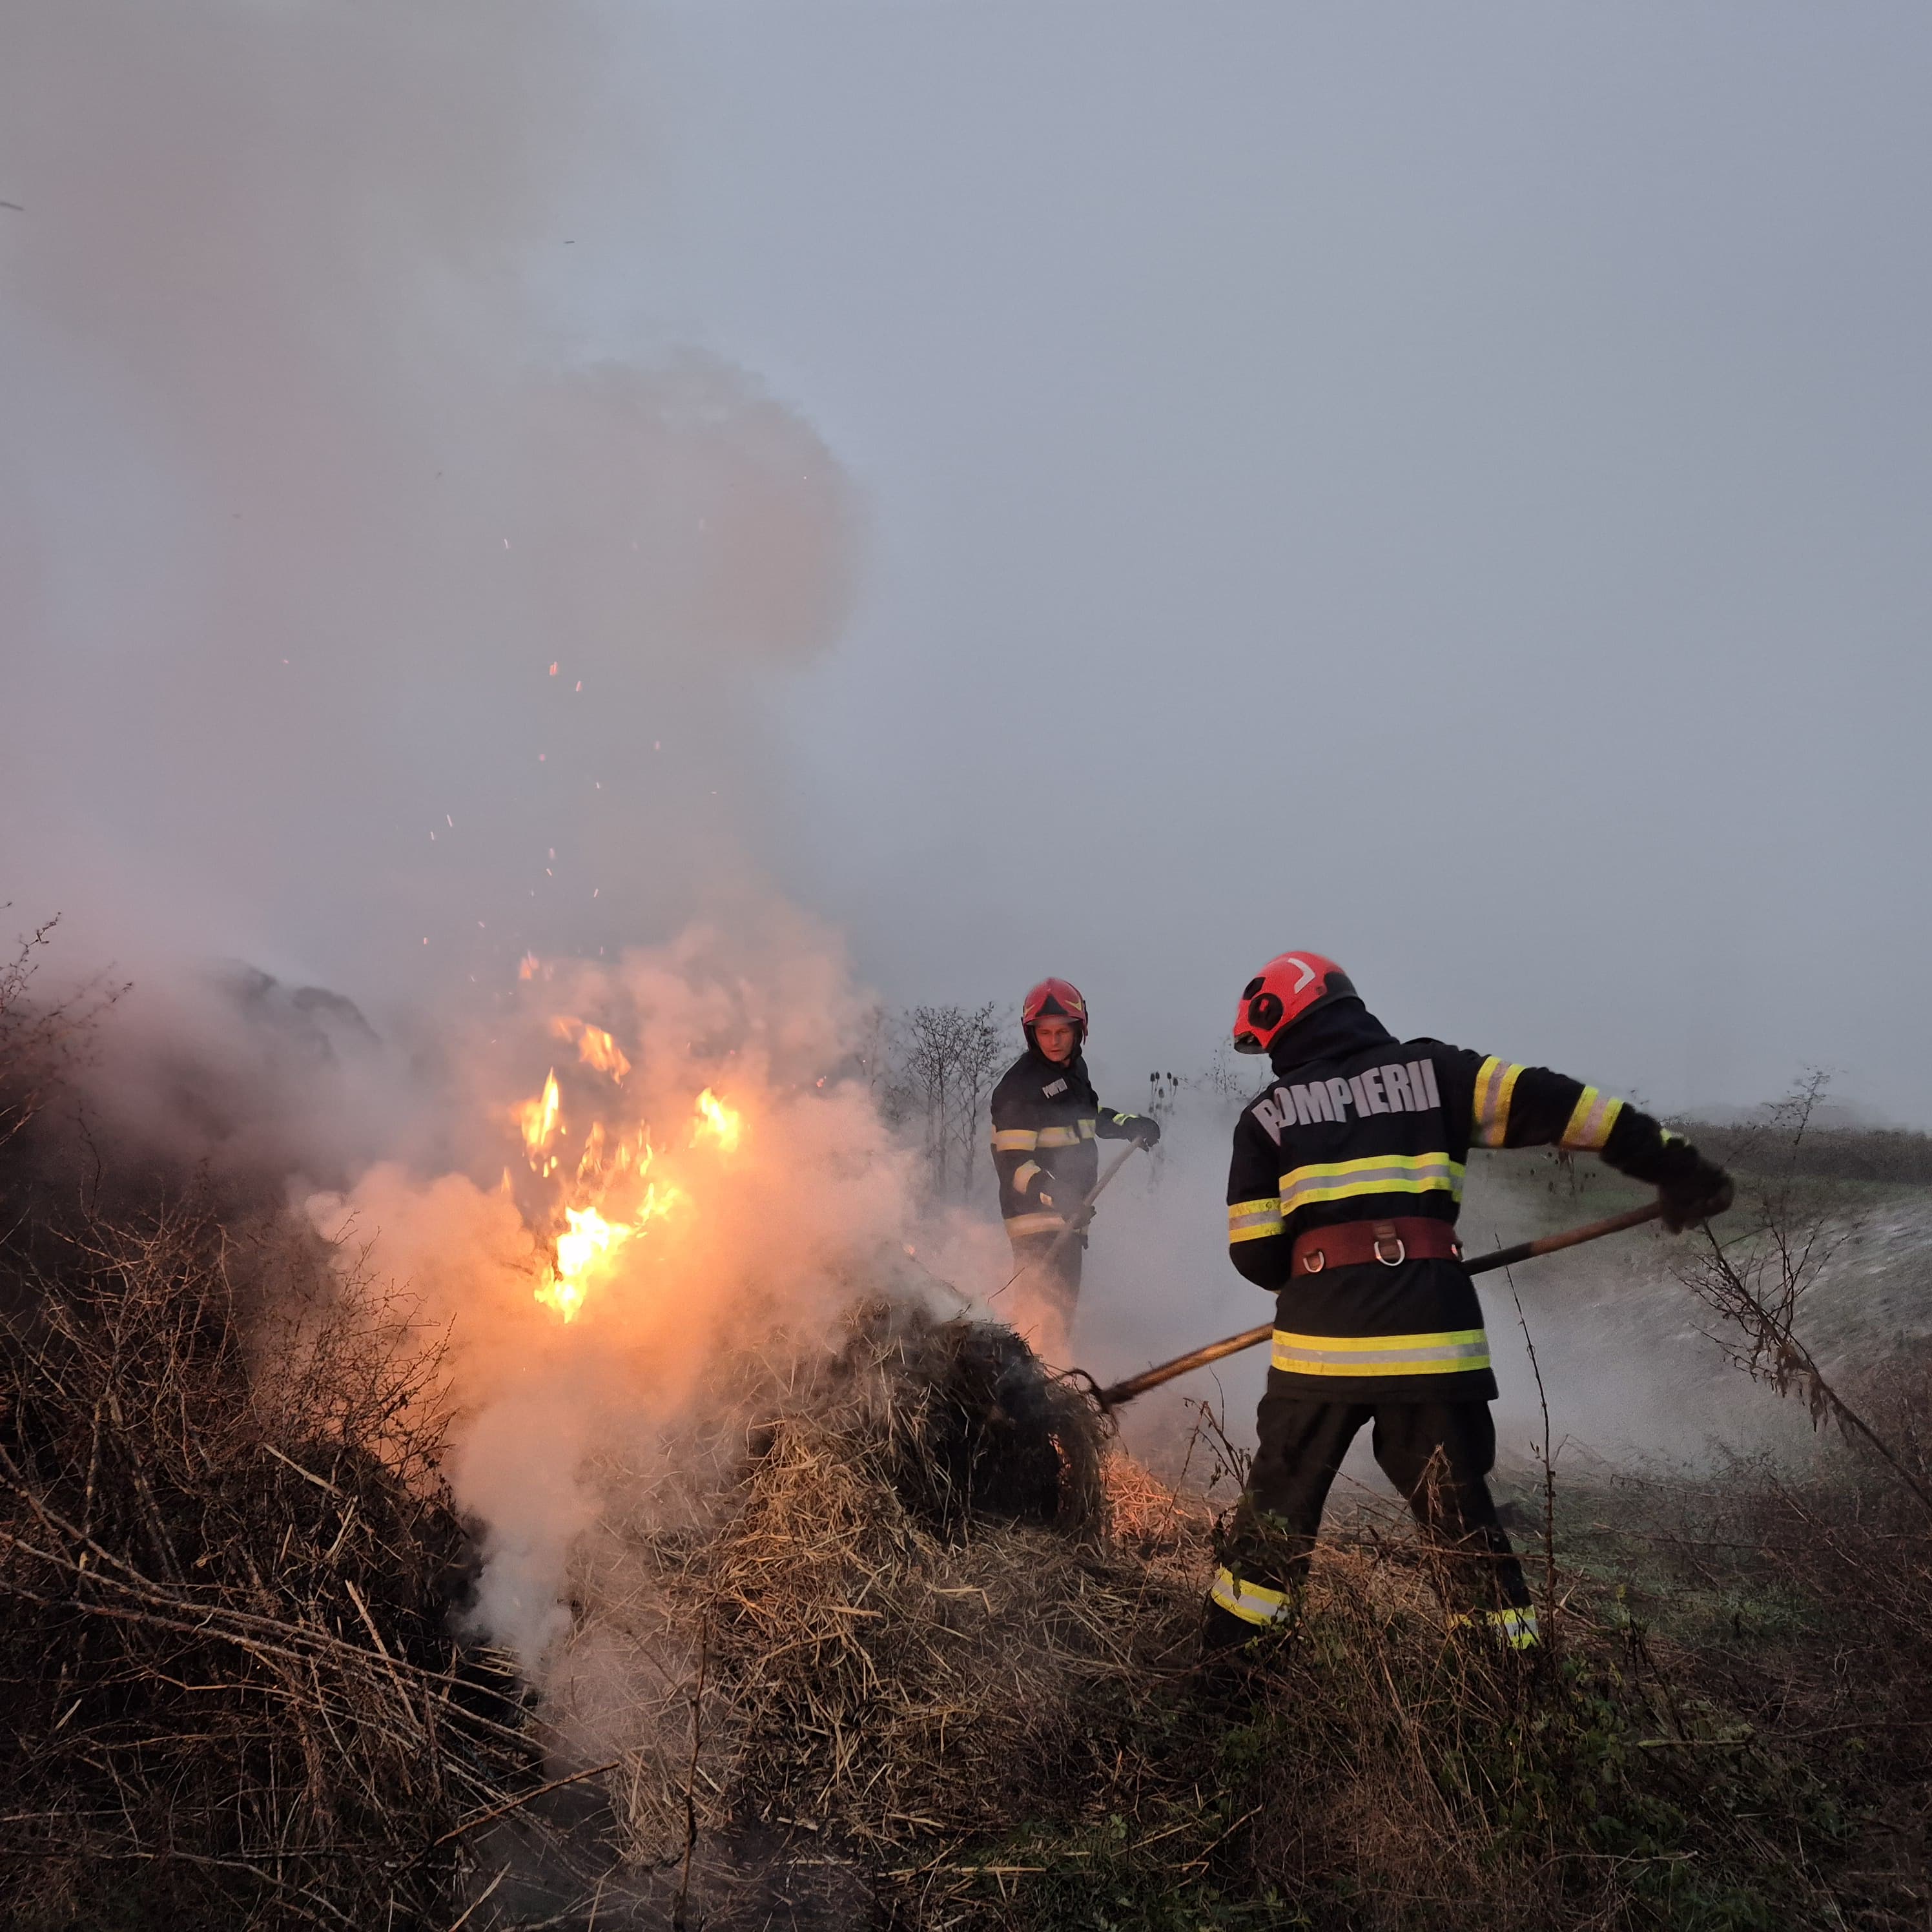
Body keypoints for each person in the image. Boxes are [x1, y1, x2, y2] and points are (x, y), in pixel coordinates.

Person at [1206, 951, 1732, 1656]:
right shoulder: (1439, 1073)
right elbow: (1567, 1106)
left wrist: (1326, 1282)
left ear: (1285, 1021)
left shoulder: (1267, 1116)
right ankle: (1507, 1697)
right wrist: (1678, 1168)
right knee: (1463, 1525)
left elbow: (1255, 1254)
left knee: (1274, 1517)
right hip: (1434, 1336)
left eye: (1267, 1042)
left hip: (1320, 1349)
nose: (1271, 1057)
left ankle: (1230, 1682)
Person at [989, 978, 1160, 1328]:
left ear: (1079, 1031)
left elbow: (1088, 1117)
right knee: (1038, 1319)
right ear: (1031, 1034)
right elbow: (1012, 1164)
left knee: (1060, 1318)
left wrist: (1129, 1125)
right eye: (1045, 1033)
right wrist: (1056, 1195)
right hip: (1036, 1224)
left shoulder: (1074, 1072)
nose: (1054, 1041)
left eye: (1062, 1032)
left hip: (1071, 1216)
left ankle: (1051, 1377)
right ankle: (1032, 1379)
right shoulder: (1018, 1087)